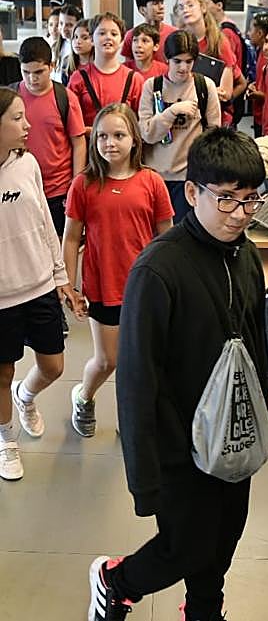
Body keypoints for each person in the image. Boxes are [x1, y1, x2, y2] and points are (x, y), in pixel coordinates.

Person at [88, 127, 268, 621]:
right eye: (227, 199)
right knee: (184, 547)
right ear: (191, 193)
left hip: (230, 437)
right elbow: (135, 380)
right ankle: (116, 581)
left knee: (225, 538)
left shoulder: (246, 253)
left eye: (251, 200)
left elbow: (256, 338)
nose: (239, 214)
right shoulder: (158, 270)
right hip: (177, 445)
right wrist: (143, 478)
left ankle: (205, 609)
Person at [63, 104, 173, 438]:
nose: (110, 143)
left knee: (140, 361)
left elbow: (167, 238)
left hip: (143, 289)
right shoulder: (83, 186)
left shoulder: (151, 182)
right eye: (103, 136)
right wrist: (70, 287)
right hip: (103, 287)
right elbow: (70, 239)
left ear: (134, 140)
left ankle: (134, 416)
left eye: (119, 135)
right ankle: (84, 396)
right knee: (108, 360)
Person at [0, 87, 84, 481]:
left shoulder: (28, 164)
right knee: (2, 373)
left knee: (52, 365)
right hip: (1, 299)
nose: (27, 124)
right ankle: (7, 441)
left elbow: (45, 226)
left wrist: (61, 277)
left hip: (37, 286)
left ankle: (26, 395)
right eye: (17, 118)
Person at [138, 29, 221, 222]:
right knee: (155, 234)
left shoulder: (204, 86)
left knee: (184, 232)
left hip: (189, 177)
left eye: (189, 62)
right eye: (177, 61)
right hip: (156, 176)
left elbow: (213, 134)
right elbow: (147, 134)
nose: (183, 68)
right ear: (167, 59)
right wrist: (172, 111)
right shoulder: (152, 86)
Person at [17, 37, 86, 238]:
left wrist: (75, 184)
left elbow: (78, 142)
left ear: (52, 66)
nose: (32, 79)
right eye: (26, 72)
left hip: (59, 189)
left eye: (39, 72)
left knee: (60, 244)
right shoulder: (12, 97)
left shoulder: (65, 97)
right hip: (23, 187)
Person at [68, 13, 144, 131]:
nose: (108, 37)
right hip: (88, 145)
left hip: (123, 147)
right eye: (102, 33)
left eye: (114, 34)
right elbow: (71, 122)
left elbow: (141, 123)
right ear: (92, 39)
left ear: (121, 41)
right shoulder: (78, 78)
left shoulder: (134, 79)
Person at [174, 0, 239, 126]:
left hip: (213, 117)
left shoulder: (219, 41)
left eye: (190, 5)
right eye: (181, 7)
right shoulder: (177, 42)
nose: (185, 9)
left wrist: (196, 91)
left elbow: (226, 93)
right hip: (186, 117)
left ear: (203, 7)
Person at [120, 0, 176, 65]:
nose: (161, 7)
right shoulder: (132, 35)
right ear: (142, 10)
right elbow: (129, 67)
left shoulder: (173, 34)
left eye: (162, 3)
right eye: (155, 4)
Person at [245, 11, 268, 137]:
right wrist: (255, 85)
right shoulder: (260, 53)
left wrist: (255, 94)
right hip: (259, 115)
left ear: (259, 33)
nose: (248, 33)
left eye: (250, 29)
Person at [51, 3, 82, 84]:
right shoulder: (56, 45)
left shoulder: (79, 48)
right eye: (61, 23)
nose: (64, 28)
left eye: (69, 25)